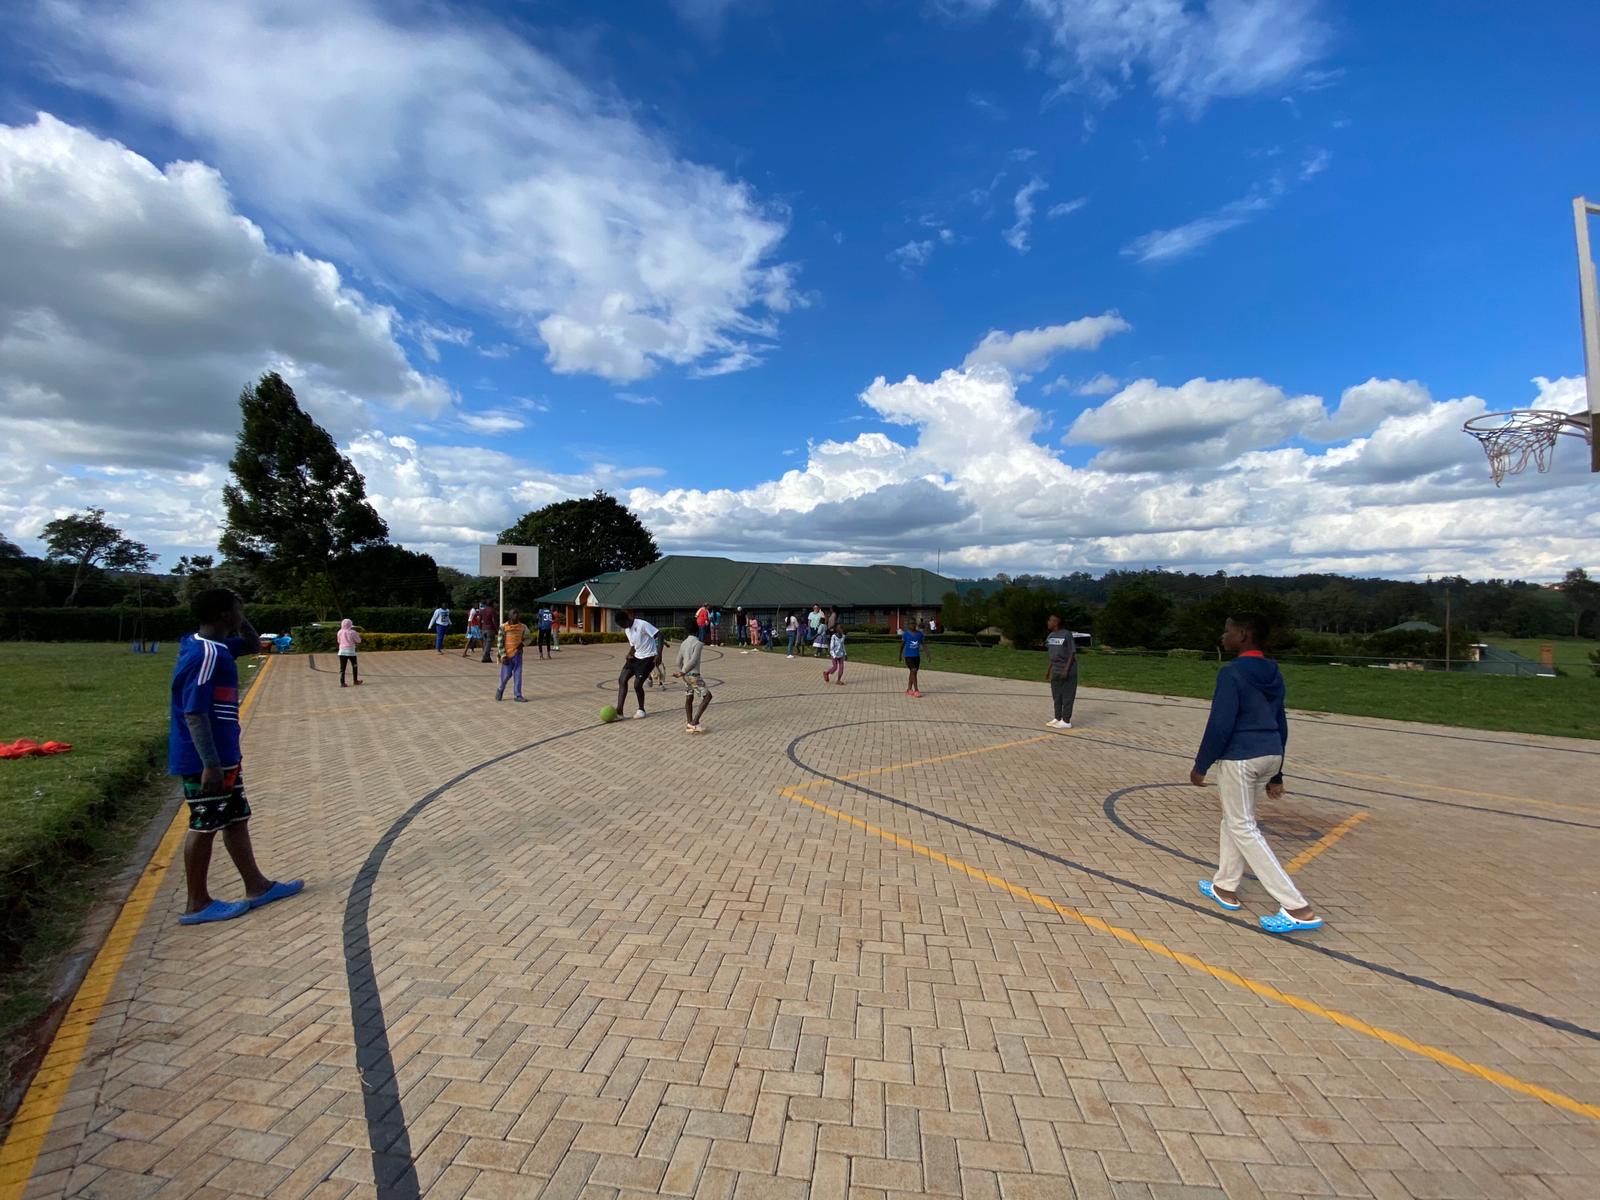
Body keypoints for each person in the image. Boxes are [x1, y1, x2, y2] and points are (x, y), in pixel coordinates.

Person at [169, 589, 303, 925]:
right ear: (225, 615)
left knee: (235, 818)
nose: (242, 614)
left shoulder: (215, 647)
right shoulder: (205, 655)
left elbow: (255, 645)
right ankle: (197, 902)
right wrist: (210, 764)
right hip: (207, 762)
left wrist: (241, 618)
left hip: (225, 756)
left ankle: (256, 885)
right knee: (204, 825)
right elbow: (195, 713)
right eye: (238, 610)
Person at [1191, 613, 1323, 935]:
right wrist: (1277, 772)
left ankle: (1296, 908)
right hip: (1269, 753)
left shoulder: (1232, 673)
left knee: (1243, 826)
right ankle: (1224, 885)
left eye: (1228, 631)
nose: (1223, 636)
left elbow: (1220, 724)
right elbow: (1281, 721)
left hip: (1240, 758)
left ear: (1244, 635)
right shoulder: (1274, 673)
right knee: (1234, 819)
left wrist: (1201, 764)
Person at [615, 611, 659, 718]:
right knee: (622, 679)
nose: (622, 627)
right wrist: (630, 654)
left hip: (648, 658)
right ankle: (619, 711)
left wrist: (659, 655)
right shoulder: (627, 630)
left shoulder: (642, 624)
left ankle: (641, 710)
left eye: (622, 624)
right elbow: (634, 645)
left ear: (626, 619)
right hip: (636, 657)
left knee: (637, 685)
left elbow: (660, 635)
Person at [674, 624, 714, 733]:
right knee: (707, 696)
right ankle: (694, 722)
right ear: (697, 632)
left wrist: (682, 671)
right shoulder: (698, 644)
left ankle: (689, 722)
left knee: (689, 696)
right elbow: (694, 660)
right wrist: (684, 671)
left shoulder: (683, 643)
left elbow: (678, 661)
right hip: (693, 675)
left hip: (685, 676)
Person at [1043, 613, 1076, 729]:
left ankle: (1066, 721)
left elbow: (1072, 653)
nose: (1048, 622)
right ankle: (1057, 717)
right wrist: (1048, 670)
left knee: (1067, 695)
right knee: (1056, 696)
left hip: (1067, 670)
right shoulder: (1050, 636)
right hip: (1055, 670)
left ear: (1056, 622)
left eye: (1050, 620)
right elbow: (1052, 656)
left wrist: (1066, 670)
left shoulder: (1066, 634)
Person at [496, 608, 528, 701]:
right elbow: (499, 642)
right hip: (507, 655)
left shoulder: (522, 627)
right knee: (506, 675)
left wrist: (522, 644)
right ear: (509, 616)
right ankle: (500, 689)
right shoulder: (503, 627)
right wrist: (503, 655)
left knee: (518, 674)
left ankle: (518, 695)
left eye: (517, 613)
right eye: (514, 613)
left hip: (517, 654)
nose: (516, 615)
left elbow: (529, 637)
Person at [898, 620, 926, 697]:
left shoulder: (920, 634)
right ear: (908, 625)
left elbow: (923, 644)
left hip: (916, 656)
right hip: (908, 656)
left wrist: (928, 654)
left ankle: (909, 689)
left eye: (914, 623)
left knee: (913, 672)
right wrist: (900, 655)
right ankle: (916, 690)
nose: (913, 625)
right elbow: (902, 645)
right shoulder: (906, 634)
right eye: (911, 623)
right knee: (913, 670)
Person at [337, 618, 362, 687]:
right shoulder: (353, 632)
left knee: (342, 668)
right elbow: (359, 641)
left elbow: (339, 641)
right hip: (351, 652)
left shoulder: (339, 632)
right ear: (350, 625)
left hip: (342, 652)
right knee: (354, 666)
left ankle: (342, 683)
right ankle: (355, 680)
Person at [478, 600, 498, 664]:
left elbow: (479, 619)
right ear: (492, 604)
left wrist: (480, 627)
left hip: (483, 628)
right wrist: (497, 629)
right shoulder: (492, 610)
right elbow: (494, 620)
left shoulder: (482, 610)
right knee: (489, 643)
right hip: (490, 628)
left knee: (485, 643)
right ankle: (485, 656)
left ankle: (488, 658)